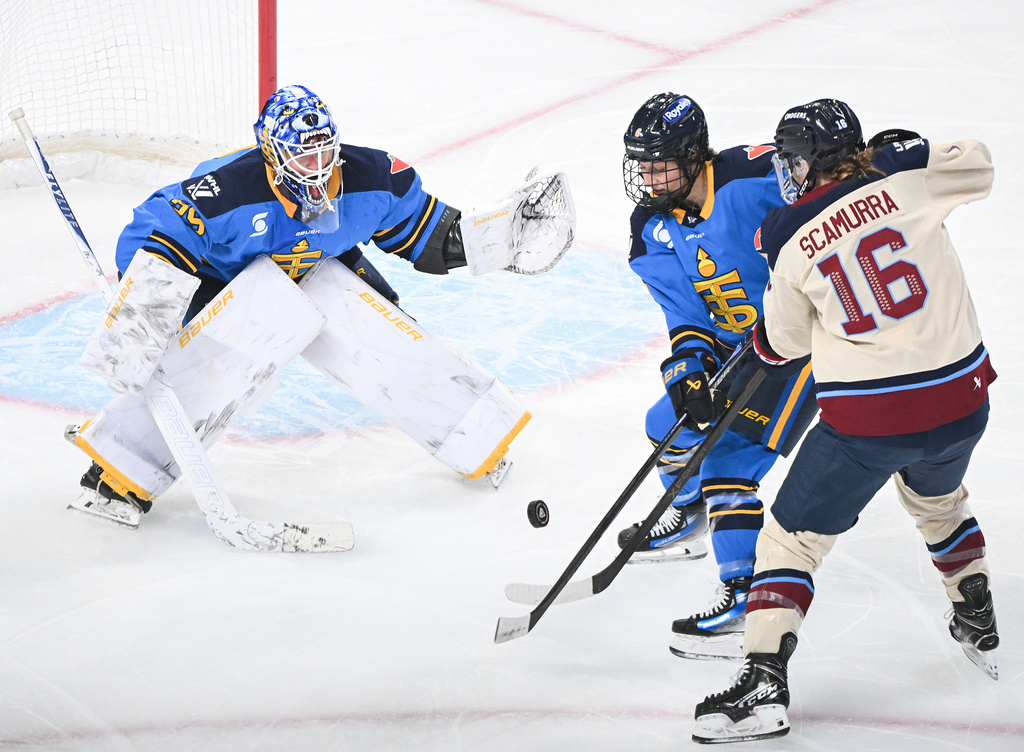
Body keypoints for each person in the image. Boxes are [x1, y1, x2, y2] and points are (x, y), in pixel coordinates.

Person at [68, 83, 575, 529]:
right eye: (303, 159)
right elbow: (153, 231)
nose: (318, 169)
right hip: (222, 278)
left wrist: (498, 240)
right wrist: (148, 303)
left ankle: (475, 436)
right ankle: (120, 466)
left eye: (324, 154)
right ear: (272, 157)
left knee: (380, 328)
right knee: (238, 346)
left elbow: (427, 234)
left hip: (314, 264)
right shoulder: (226, 191)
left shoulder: (372, 176)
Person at [692, 99, 999, 744]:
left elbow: (785, 344)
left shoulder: (789, 240)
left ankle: (762, 683)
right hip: (963, 405)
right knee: (937, 501)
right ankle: (975, 611)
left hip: (870, 422)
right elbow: (979, 165)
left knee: (790, 541)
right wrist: (902, 160)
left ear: (805, 164)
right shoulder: (908, 182)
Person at [617, 92, 817, 659]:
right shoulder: (651, 228)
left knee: (729, 461)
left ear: (692, 154)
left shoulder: (755, 176)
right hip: (737, 347)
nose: (649, 178)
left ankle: (744, 597)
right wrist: (688, 370)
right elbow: (685, 311)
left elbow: (831, 186)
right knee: (667, 427)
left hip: (799, 343)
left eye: (660, 164)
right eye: (642, 165)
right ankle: (691, 515)